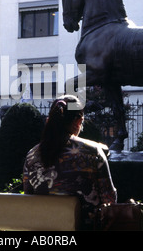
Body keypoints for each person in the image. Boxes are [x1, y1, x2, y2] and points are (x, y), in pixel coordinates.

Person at [23, 95, 117, 230]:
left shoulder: (31, 156)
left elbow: (29, 198)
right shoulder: (93, 151)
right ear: (78, 121)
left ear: (50, 121)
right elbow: (109, 200)